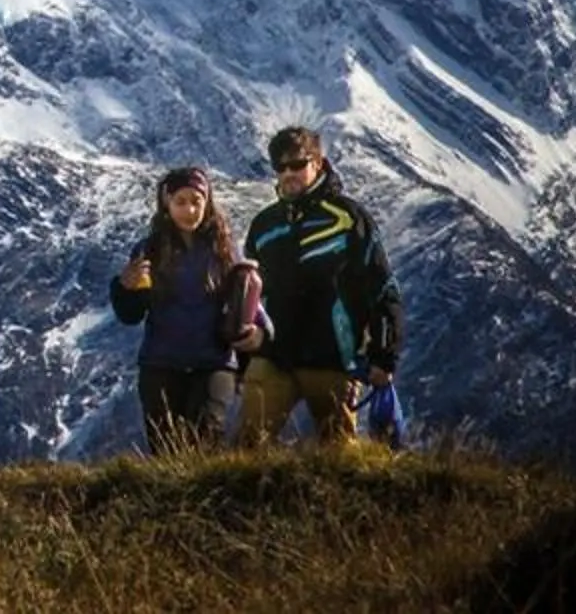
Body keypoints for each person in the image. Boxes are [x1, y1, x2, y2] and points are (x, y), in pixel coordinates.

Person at [236, 126, 403, 447]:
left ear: (318, 162)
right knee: (247, 448)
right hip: (274, 356)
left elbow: (382, 288)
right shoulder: (264, 224)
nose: (288, 173)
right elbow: (250, 298)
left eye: (297, 164)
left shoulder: (349, 218)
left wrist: (384, 357)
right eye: (280, 167)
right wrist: (243, 361)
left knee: (339, 455)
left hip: (333, 359)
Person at [108, 165, 265, 452]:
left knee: (206, 440)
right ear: (166, 204)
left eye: (197, 201)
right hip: (161, 366)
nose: (190, 210)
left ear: (208, 203)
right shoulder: (149, 251)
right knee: (166, 452)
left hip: (215, 364)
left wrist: (261, 333)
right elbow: (131, 315)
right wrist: (124, 289)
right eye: (181, 202)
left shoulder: (225, 250)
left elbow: (250, 299)